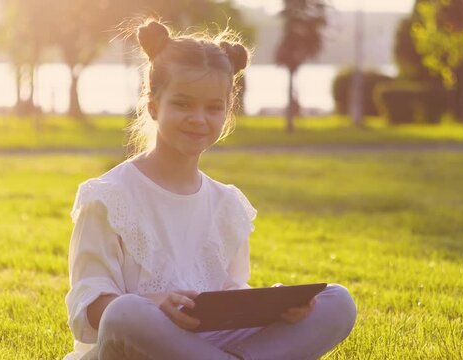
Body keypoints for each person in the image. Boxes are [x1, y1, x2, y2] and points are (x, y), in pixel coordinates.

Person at [64, 19, 357, 360]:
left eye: (213, 107)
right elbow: (90, 309)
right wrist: (156, 303)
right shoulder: (109, 196)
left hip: (209, 346)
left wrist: (274, 305)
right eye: (183, 104)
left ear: (227, 112)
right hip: (137, 347)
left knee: (337, 301)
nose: (199, 119)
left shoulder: (228, 204)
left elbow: (233, 297)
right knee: (124, 312)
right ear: (153, 105)